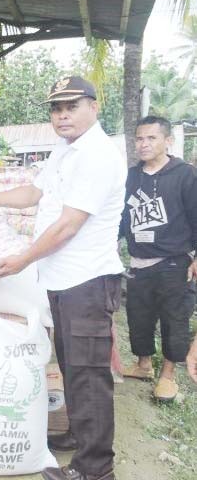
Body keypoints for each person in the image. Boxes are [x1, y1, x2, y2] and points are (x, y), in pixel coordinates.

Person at [0, 76, 125, 480]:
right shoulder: (65, 150)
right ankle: (80, 435)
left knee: (89, 376)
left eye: (71, 106)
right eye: (56, 108)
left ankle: (95, 470)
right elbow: (36, 194)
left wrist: (22, 259)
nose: (62, 115)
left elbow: (68, 225)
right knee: (73, 367)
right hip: (62, 281)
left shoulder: (98, 155)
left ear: (93, 106)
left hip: (87, 283)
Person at [119, 116, 197, 401]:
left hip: (174, 262)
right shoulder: (131, 176)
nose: (144, 144)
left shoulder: (185, 174)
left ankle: (167, 375)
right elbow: (122, 217)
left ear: (168, 141)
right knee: (138, 316)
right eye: (140, 138)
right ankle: (143, 365)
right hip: (139, 262)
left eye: (151, 138)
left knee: (174, 320)